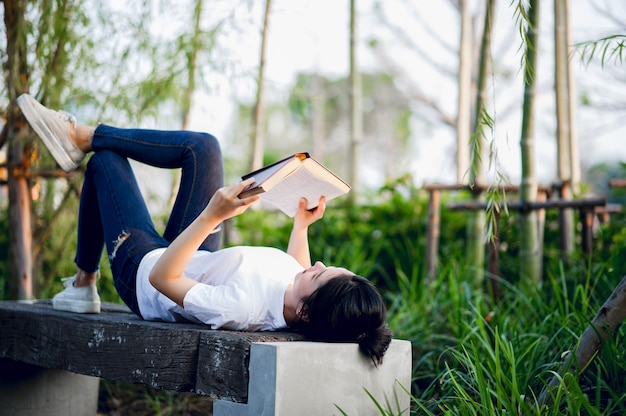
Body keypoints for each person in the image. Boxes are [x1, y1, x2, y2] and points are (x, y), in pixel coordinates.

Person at [16, 93, 392, 365]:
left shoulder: (242, 308)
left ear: (307, 313)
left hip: (146, 271)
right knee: (204, 147)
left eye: (321, 275)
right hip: (198, 257)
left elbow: (164, 278)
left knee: (106, 164)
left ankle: (84, 281)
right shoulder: (299, 295)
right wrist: (301, 225)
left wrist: (213, 217)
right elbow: (297, 271)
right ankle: (81, 136)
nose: (319, 265)